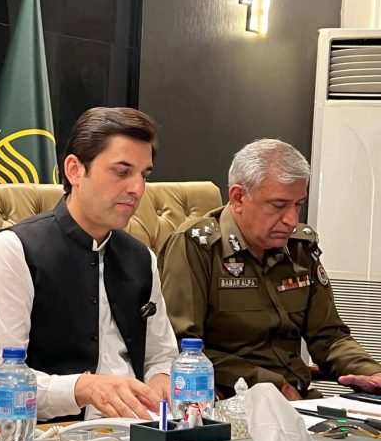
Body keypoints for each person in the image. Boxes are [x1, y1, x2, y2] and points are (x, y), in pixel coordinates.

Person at [0, 107, 178, 421]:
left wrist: (162, 379)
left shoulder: (141, 257)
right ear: (75, 170)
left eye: (144, 176)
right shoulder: (11, 252)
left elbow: (162, 356)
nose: (137, 189)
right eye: (122, 172)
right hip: (50, 437)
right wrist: (82, 389)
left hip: (140, 431)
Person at [158, 138, 381, 400]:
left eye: (298, 204)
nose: (292, 220)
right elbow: (181, 348)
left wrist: (370, 372)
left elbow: (329, 336)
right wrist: (268, 383)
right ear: (238, 198)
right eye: (279, 205)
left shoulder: (299, 247)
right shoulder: (198, 247)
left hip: (298, 402)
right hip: (231, 401)